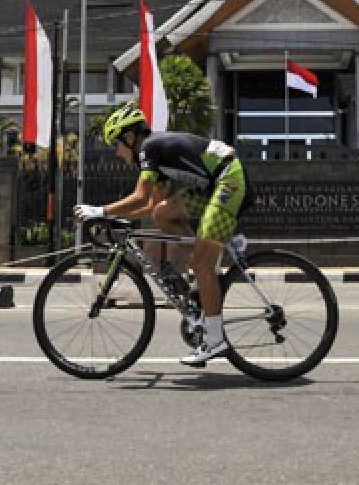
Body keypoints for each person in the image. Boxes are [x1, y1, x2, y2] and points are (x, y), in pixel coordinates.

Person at [73, 103, 249, 365]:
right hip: (214, 185)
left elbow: (139, 196)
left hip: (229, 180)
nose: (118, 153)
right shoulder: (158, 156)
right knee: (163, 214)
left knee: (202, 264)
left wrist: (101, 210)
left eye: (117, 145)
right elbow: (150, 205)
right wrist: (114, 217)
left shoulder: (149, 148)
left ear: (130, 137)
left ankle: (215, 340)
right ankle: (205, 272)